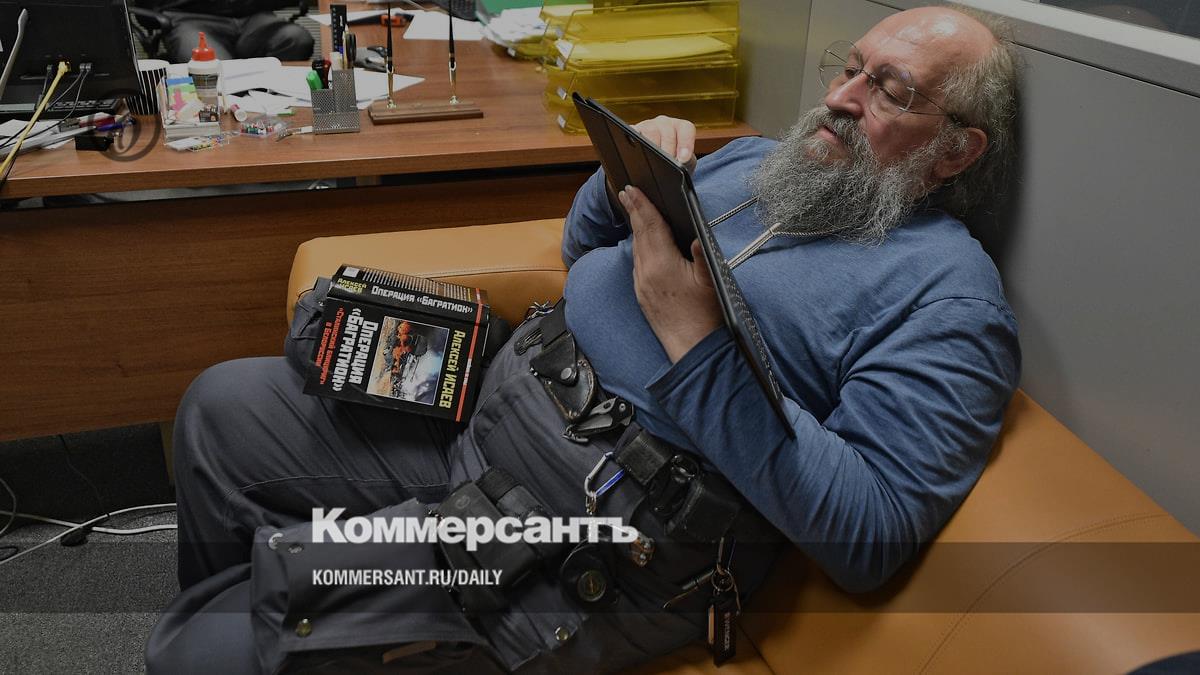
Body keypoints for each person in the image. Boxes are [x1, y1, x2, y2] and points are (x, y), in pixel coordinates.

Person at [146, 4, 1022, 673]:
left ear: (956, 151)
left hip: (582, 532)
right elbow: (582, 252)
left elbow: (867, 532)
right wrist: (618, 181)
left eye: (889, 90)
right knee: (221, 411)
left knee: (205, 647)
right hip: (494, 408)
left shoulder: (948, 299)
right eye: (852, 67)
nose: (839, 98)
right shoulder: (763, 163)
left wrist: (694, 343)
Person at [150, 0, 315, 63]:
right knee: (216, 70)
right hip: (190, 17)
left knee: (297, 39)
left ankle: (270, 104)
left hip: (251, 15)